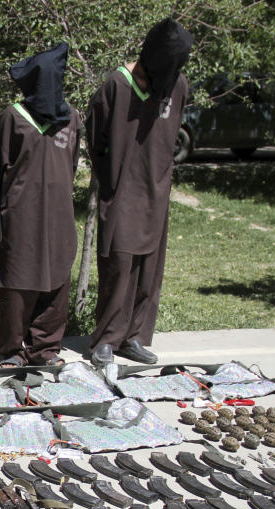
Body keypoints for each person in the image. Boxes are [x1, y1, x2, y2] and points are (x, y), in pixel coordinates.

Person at [85, 18, 193, 365]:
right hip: (122, 190)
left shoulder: (178, 86)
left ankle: (134, 336)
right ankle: (107, 339)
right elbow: (96, 140)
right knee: (119, 265)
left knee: (149, 270)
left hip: (156, 191)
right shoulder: (116, 86)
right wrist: (113, 183)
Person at [0, 43, 81, 368]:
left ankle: (45, 348)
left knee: (56, 278)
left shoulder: (70, 119)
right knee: (18, 279)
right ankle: (12, 350)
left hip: (59, 213)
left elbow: (70, 164)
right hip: (20, 213)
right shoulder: (13, 118)